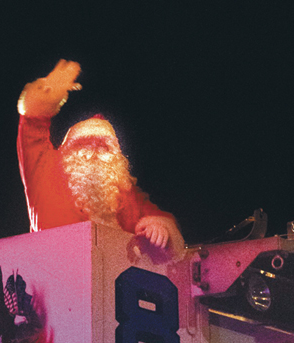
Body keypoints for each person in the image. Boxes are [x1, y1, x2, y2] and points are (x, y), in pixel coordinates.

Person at [17, 59, 185, 257]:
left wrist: (160, 227)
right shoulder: (46, 171)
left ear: (115, 157)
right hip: (52, 273)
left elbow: (158, 221)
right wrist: (45, 95)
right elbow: (31, 125)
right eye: (85, 143)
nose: (94, 152)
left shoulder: (124, 193)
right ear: (67, 150)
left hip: (109, 282)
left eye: (103, 146)